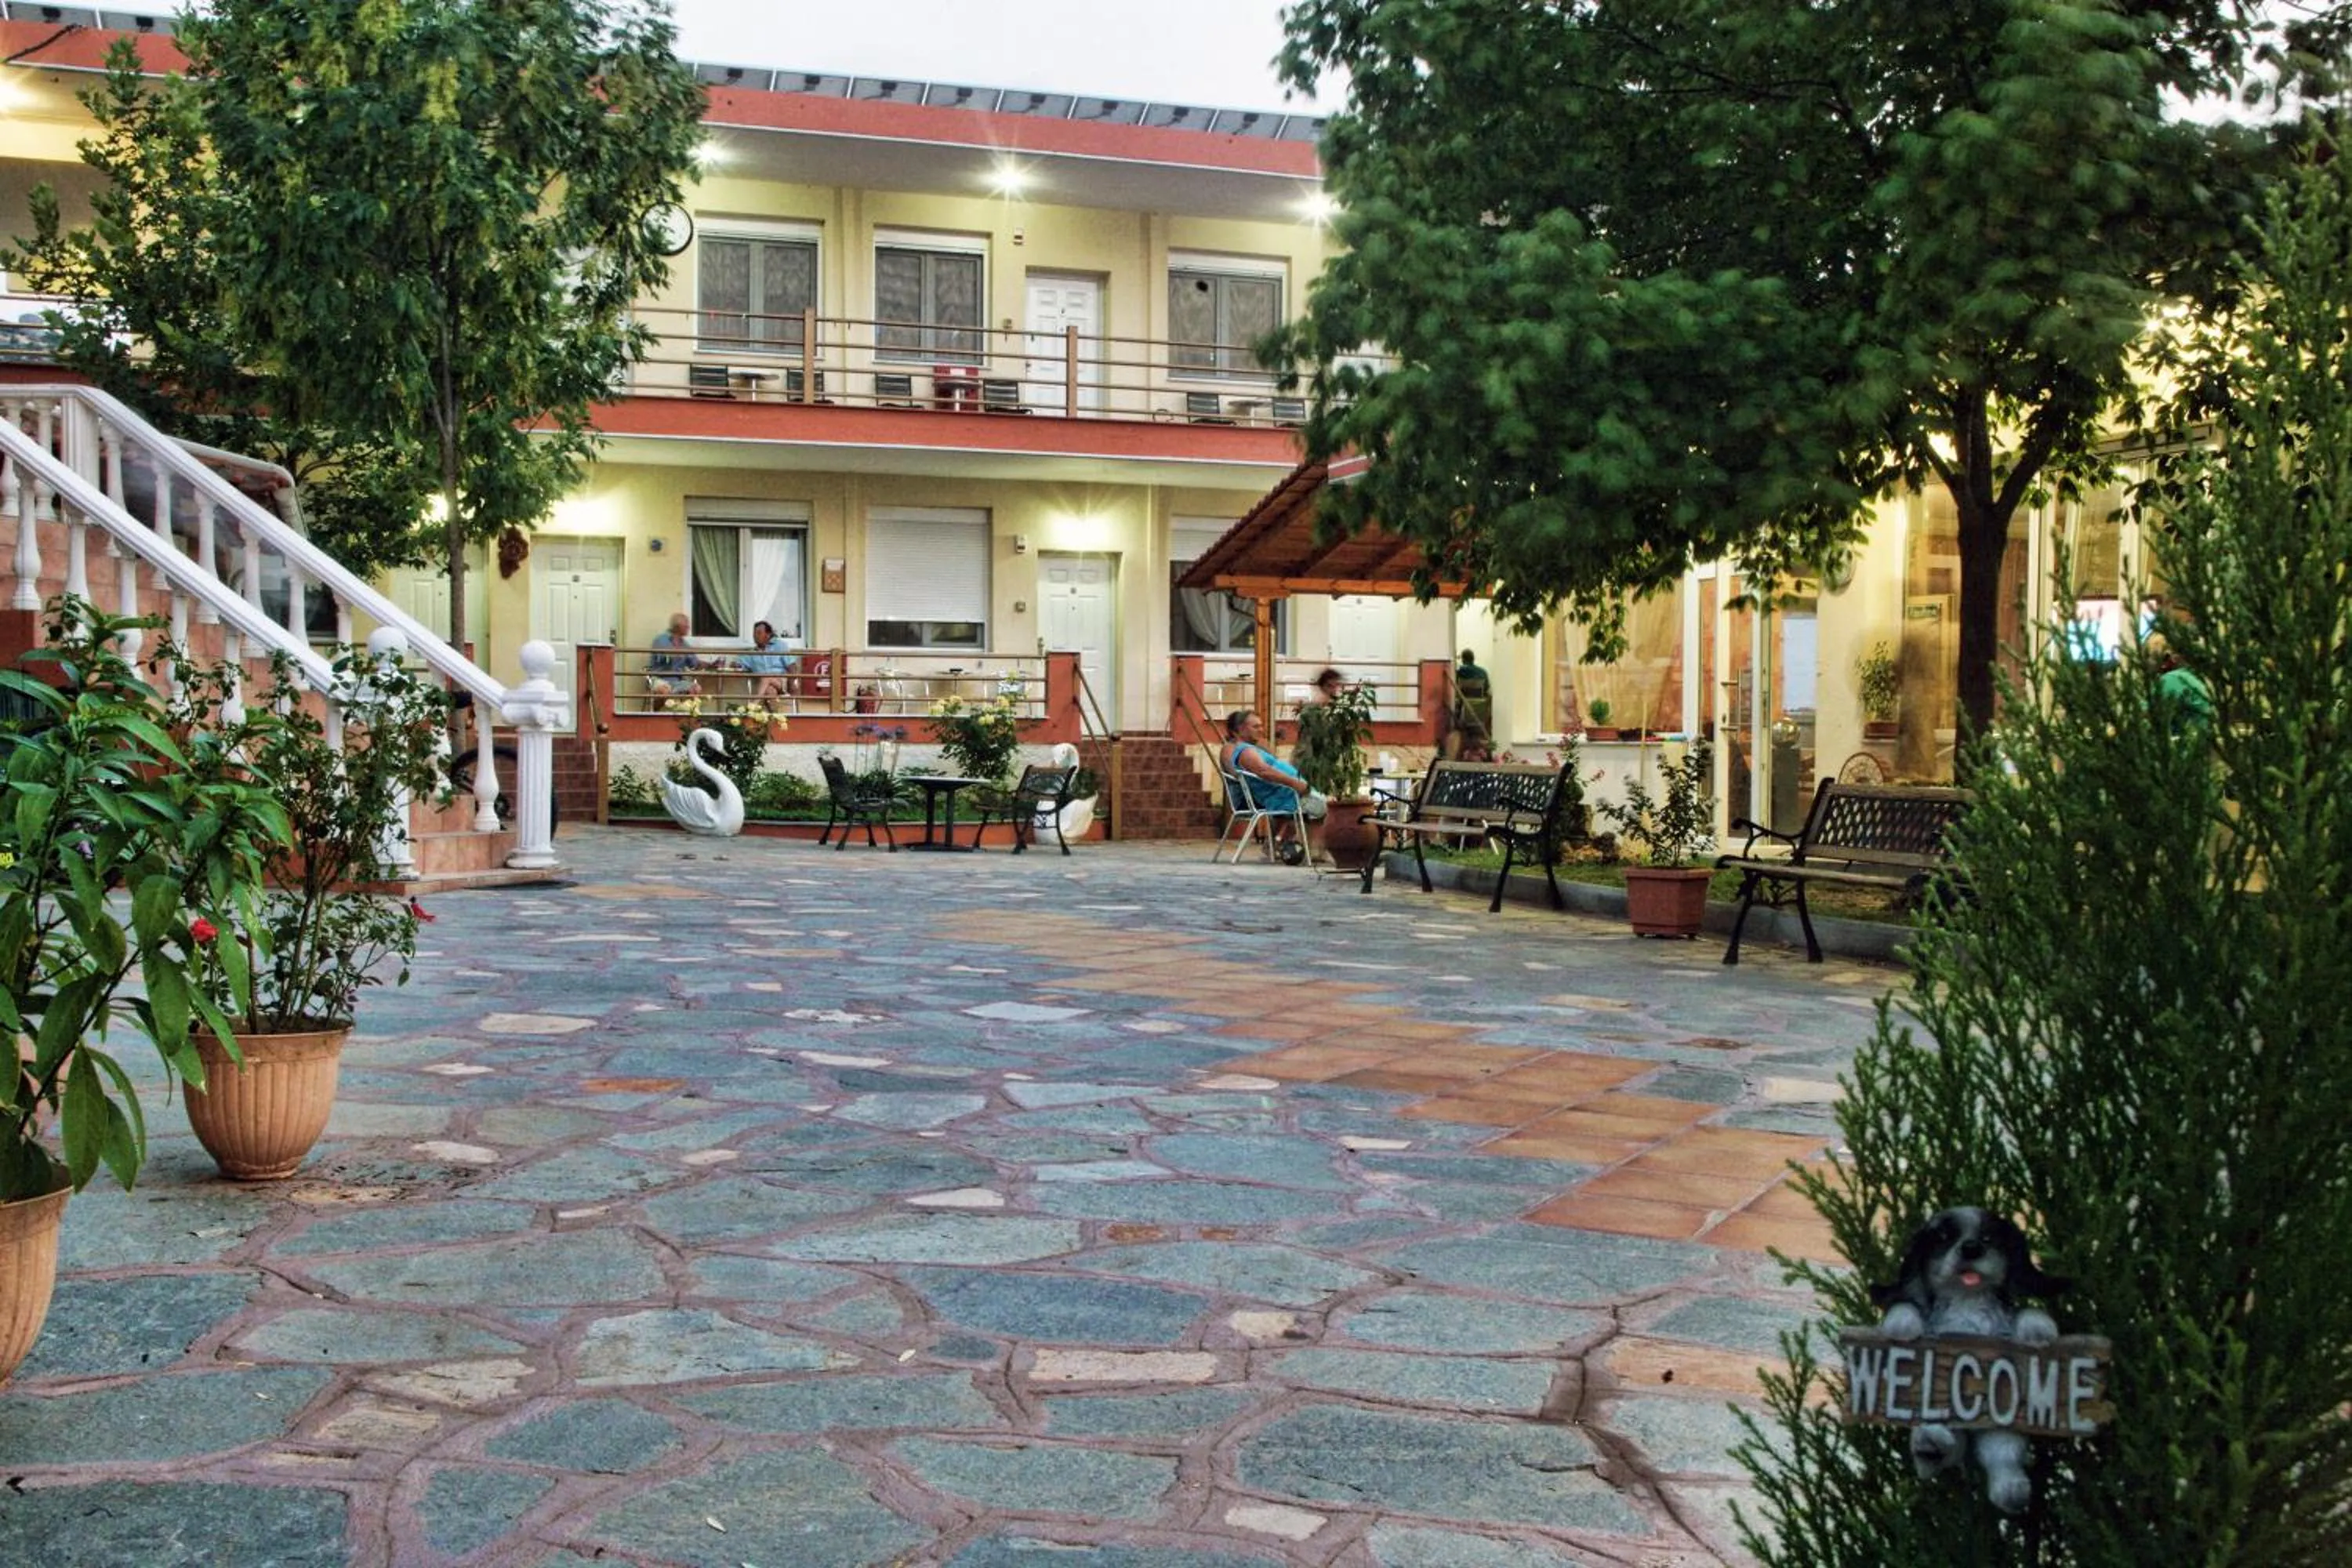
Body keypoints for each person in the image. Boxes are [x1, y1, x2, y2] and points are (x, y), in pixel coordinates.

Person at [1221, 709, 1326, 858]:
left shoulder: (1252, 749)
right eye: (1255, 727)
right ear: (1240, 730)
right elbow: (1265, 772)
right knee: (1322, 806)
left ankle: (1292, 847)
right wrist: (1295, 784)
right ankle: (1311, 851)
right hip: (1283, 795)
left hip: (1285, 793)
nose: (1261, 730)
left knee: (1319, 804)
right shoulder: (1245, 751)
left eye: (1261, 726)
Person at [647, 611, 704, 697]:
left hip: (677, 681)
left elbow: (694, 663)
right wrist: (679, 654)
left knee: (696, 689)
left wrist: (710, 664)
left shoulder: (685, 644)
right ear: (678, 626)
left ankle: (687, 710)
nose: (688, 627)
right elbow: (663, 659)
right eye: (686, 625)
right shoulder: (661, 640)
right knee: (665, 690)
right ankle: (656, 709)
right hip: (659, 679)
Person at [739, 619, 798, 699]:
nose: (755, 636)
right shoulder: (751, 653)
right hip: (763, 685)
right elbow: (738, 664)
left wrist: (792, 683)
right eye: (754, 633)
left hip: (781, 683)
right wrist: (734, 664)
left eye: (759, 633)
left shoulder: (780, 645)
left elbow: (791, 665)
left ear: (768, 635)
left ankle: (754, 704)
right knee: (770, 691)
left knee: (766, 677)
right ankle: (771, 711)